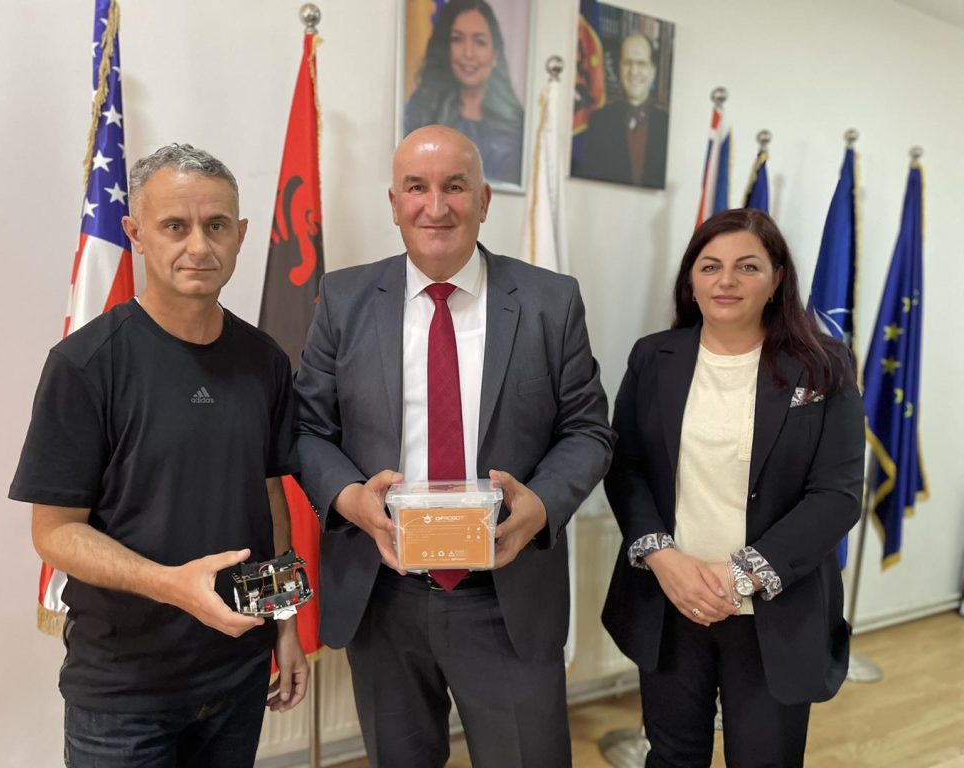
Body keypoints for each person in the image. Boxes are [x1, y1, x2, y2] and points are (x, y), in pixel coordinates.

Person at [294, 124, 614, 768]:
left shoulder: (550, 302)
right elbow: (306, 429)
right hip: (383, 593)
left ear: (485, 200)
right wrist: (352, 500)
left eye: (455, 187)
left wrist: (540, 505)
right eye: (416, 187)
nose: (435, 207)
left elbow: (588, 430)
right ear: (393, 203)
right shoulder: (344, 299)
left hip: (506, 595)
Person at [9, 144, 308, 767]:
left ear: (241, 235)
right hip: (124, 693)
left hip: (238, 675)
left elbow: (269, 493)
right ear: (136, 233)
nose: (199, 246)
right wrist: (170, 585)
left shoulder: (265, 361)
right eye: (175, 225)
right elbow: (54, 532)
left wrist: (285, 622)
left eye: (216, 225)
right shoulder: (85, 365)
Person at [601, 209, 865, 767]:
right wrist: (663, 558)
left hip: (776, 610)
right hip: (672, 602)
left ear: (776, 279)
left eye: (747, 266)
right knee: (672, 757)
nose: (726, 281)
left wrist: (740, 574)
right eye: (710, 266)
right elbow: (625, 467)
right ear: (690, 280)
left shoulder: (824, 366)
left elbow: (837, 494)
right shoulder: (653, 357)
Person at [404, 0, 525, 186]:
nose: (468, 53)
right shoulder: (418, 113)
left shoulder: (517, 126)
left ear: (495, 55)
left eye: (479, 42)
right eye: (457, 39)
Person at [571, 33, 669, 188]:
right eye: (627, 63)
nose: (634, 71)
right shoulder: (599, 122)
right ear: (619, 68)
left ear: (653, 71)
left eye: (641, 64)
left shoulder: (668, 126)